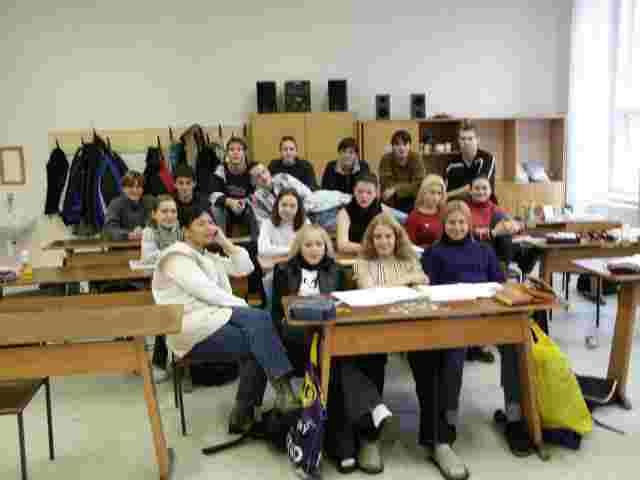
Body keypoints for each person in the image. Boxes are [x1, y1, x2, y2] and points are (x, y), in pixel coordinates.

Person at [152, 204, 300, 434]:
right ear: (186, 230)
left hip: (215, 320)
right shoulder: (175, 256)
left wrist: (224, 241)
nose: (208, 228)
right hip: (189, 330)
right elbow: (206, 292)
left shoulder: (207, 256)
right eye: (201, 224)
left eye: (211, 223)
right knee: (260, 332)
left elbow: (245, 267)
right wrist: (247, 311)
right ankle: (267, 400)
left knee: (259, 339)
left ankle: (248, 411)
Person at [409, 201, 531, 480]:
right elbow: (428, 290)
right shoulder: (433, 253)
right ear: (443, 225)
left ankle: (514, 417)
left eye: (462, 223)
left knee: (515, 346)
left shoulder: (484, 251)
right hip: (452, 321)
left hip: (487, 316)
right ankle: (449, 419)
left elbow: (499, 283)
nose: (457, 227)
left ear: (470, 225)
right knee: (453, 352)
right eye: (451, 222)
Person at [333, 213, 428, 474]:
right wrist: (405, 280)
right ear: (370, 240)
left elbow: (424, 281)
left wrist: (402, 281)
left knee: (432, 354)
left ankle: (434, 431)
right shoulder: (362, 262)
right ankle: (371, 431)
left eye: (388, 236)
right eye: (378, 237)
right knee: (370, 357)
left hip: (409, 323)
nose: (383, 241)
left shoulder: (409, 258)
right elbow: (369, 290)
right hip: (374, 326)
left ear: (397, 238)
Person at [140, 194, 182, 383]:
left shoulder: (181, 229)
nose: (169, 215)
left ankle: (183, 363)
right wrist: (175, 251)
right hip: (159, 284)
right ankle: (159, 362)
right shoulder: (149, 232)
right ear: (154, 214)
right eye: (164, 211)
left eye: (173, 211)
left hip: (181, 281)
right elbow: (148, 258)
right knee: (164, 317)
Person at [249, 162, 350, 231]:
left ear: (268, 171)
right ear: (253, 182)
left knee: (341, 203)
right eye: (258, 176)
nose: (263, 177)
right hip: (289, 227)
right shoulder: (257, 199)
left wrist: (299, 212)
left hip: (310, 211)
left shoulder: (283, 178)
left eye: (264, 172)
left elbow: (307, 195)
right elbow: (263, 225)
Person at [258, 189, 308, 310]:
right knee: (271, 279)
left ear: (298, 208)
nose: (287, 209)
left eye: (292, 206)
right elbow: (263, 249)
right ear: (277, 206)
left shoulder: (305, 223)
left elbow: (306, 249)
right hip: (275, 271)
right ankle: (273, 311)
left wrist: (279, 255)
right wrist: (293, 249)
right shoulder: (267, 223)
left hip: (299, 269)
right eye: (284, 205)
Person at [210, 137, 258, 239]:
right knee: (215, 208)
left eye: (239, 149)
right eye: (232, 150)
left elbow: (258, 194)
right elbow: (214, 196)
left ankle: (256, 242)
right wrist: (230, 202)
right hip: (227, 209)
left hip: (246, 208)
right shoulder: (221, 169)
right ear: (227, 153)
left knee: (257, 206)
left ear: (244, 153)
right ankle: (221, 242)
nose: (235, 153)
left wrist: (243, 202)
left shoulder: (252, 169)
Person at [444, 121, 497, 200]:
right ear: (458, 141)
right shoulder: (451, 163)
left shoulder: (487, 158)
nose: (466, 142)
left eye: (470, 139)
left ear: (477, 140)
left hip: (483, 204)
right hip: (457, 205)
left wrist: (448, 195)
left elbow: (477, 188)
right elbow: (444, 187)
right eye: (463, 139)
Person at [379, 130, 426, 213]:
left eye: (405, 144)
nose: (402, 148)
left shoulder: (416, 158)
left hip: (414, 201)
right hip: (392, 202)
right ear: (392, 147)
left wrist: (396, 189)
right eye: (397, 144)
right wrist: (407, 187)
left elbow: (419, 185)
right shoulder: (386, 159)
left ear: (410, 146)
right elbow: (386, 184)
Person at [336, 174, 383, 255]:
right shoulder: (344, 213)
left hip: (378, 256)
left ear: (376, 193)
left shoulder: (383, 210)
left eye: (369, 192)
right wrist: (371, 249)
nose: (364, 196)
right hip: (353, 256)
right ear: (354, 191)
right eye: (360, 192)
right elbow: (342, 245)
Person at [104, 170, 148, 240]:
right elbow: (110, 229)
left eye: (138, 186)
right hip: (121, 245)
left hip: (144, 244)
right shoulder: (116, 204)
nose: (135, 190)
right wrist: (129, 234)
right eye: (130, 186)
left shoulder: (147, 203)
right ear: (123, 188)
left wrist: (145, 231)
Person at [406, 175, 447, 248]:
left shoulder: (444, 213)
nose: (436, 197)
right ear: (424, 193)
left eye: (439, 193)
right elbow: (410, 246)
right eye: (432, 192)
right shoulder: (414, 216)